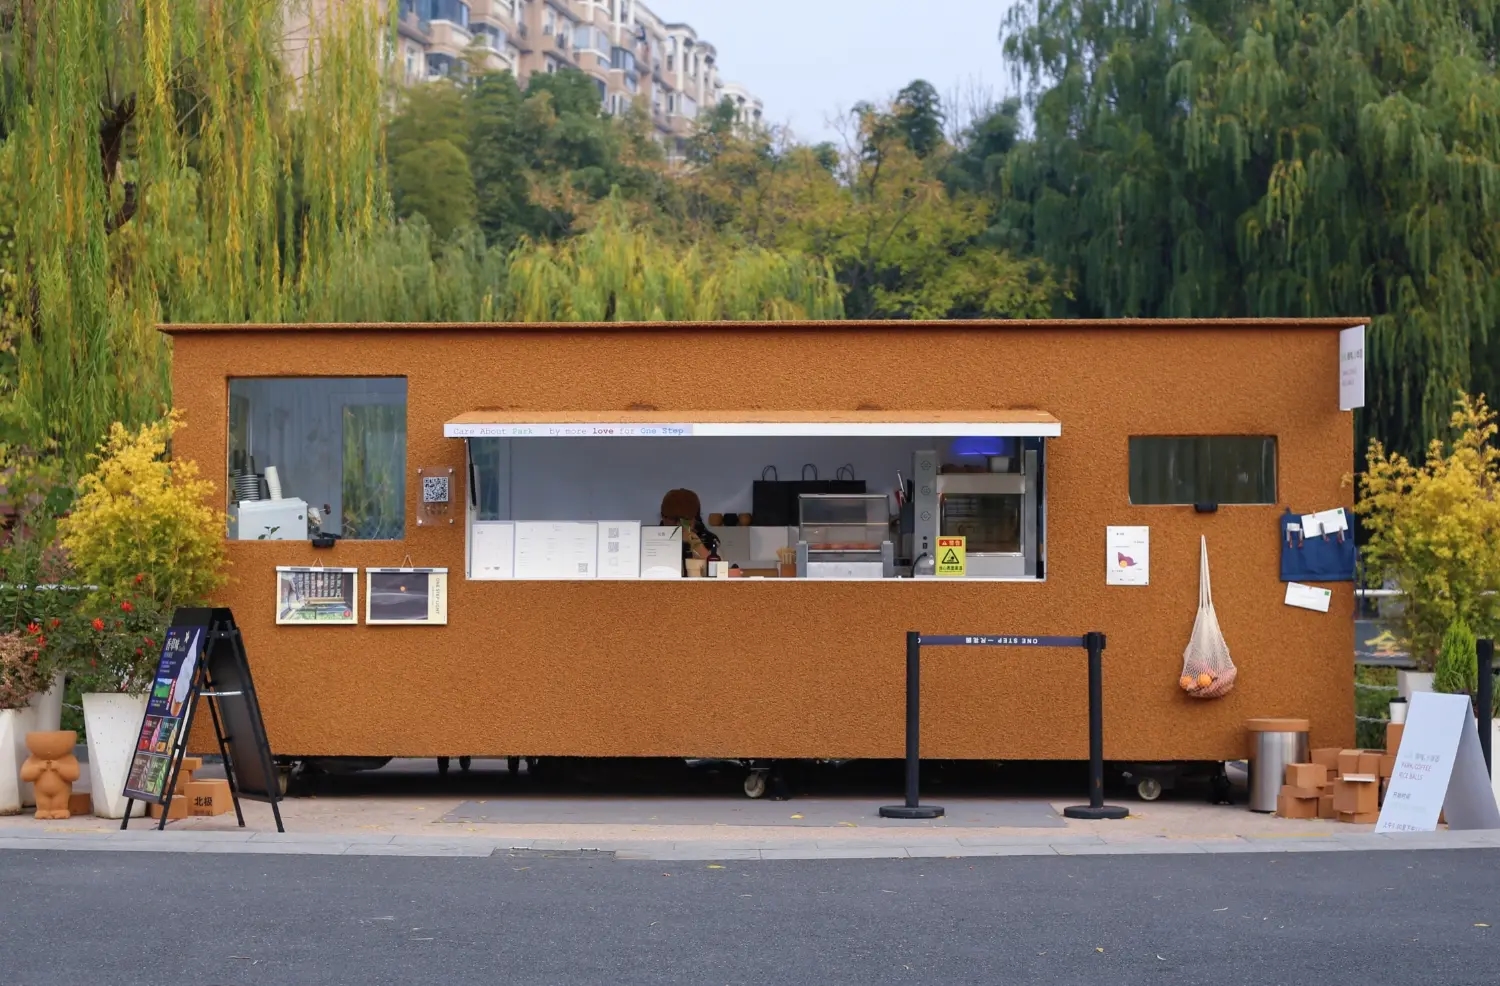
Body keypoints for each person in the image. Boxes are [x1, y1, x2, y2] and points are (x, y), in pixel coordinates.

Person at [659, 489, 719, 564]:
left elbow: (719, 570)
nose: (678, 524)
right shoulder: (651, 539)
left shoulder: (709, 540)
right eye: (673, 519)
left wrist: (695, 543)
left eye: (685, 519)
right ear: (663, 516)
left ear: (695, 519)